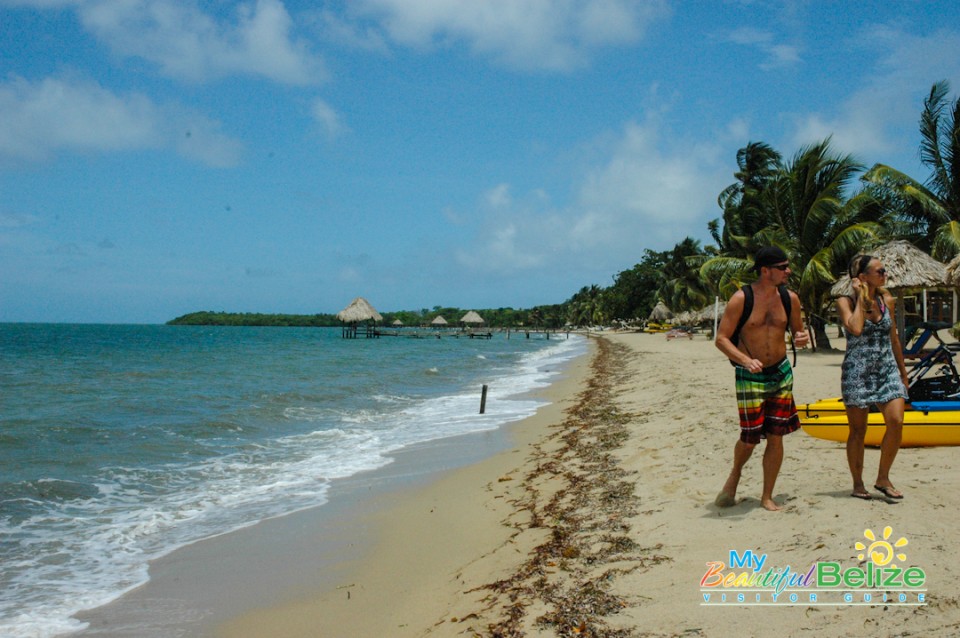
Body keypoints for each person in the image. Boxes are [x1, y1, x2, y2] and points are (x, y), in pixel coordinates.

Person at [714, 246, 809, 511]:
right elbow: (721, 339)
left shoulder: (790, 298)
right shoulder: (741, 299)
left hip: (780, 372)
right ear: (765, 270)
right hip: (749, 374)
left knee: (776, 435)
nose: (788, 271)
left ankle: (767, 495)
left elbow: (798, 334)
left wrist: (801, 339)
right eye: (783, 267)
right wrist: (745, 360)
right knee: (750, 437)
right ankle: (735, 475)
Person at [836, 254, 909, 500]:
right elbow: (855, 328)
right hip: (858, 372)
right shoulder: (844, 302)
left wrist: (903, 372)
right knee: (858, 430)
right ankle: (858, 484)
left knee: (896, 422)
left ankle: (883, 477)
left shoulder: (886, 300)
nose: (884, 273)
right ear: (862, 277)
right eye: (880, 271)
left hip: (886, 369)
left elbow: (894, 338)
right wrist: (861, 299)